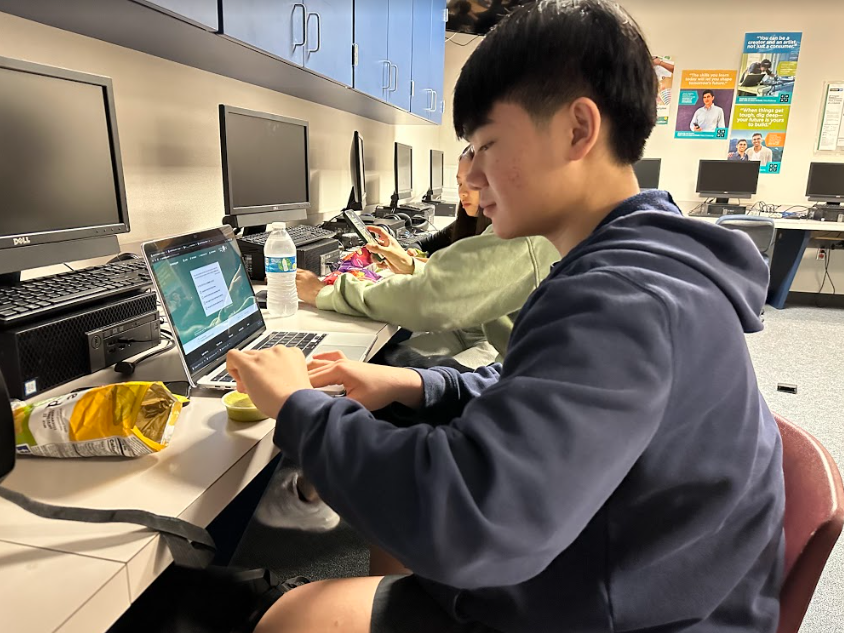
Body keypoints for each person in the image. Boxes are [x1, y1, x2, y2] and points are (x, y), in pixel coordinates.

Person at [231, 1, 784, 631]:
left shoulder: (621, 298)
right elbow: (544, 385)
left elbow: (471, 522)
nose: (468, 172)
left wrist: (298, 410)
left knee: (296, 616)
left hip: (636, 608)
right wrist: (415, 383)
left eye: (485, 144)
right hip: (645, 568)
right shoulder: (642, 263)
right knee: (391, 534)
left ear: (579, 129)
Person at [296, 145, 559, 370]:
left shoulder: (523, 235)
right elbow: (458, 288)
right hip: (476, 337)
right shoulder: (529, 224)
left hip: (497, 361)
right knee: (380, 361)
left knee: (370, 369)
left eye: (479, 180)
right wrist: (411, 265)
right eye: (461, 182)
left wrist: (326, 294)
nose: (465, 192)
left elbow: (430, 299)